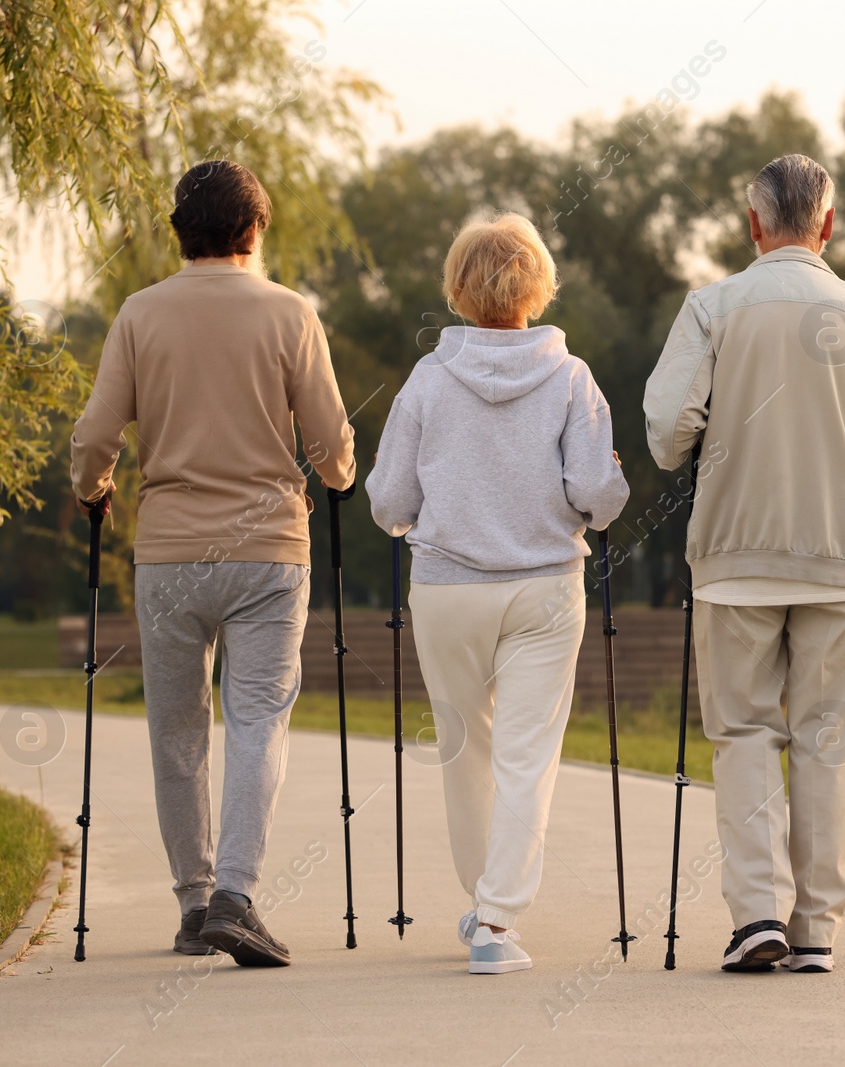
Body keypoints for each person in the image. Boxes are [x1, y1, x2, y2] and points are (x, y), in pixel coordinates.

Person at [643, 154, 845, 973]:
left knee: (741, 733)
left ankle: (755, 916)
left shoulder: (712, 307)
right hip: (842, 554)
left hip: (735, 552)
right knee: (826, 737)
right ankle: (817, 929)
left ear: (753, 225)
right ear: (829, 225)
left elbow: (667, 436)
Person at [70, 160, 356, 967]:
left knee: (177, 728)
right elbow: (330, 445)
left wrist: (93, 489)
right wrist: (338, 478)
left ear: (178, 232)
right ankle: (236, 891)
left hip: (169, 552)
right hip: (268, 551)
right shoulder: (290, 312)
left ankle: (196, 905)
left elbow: (96, 436)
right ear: (254, 230)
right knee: (259, 717)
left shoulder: (139, 313)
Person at [365, 212, 629, 975]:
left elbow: (388, 501)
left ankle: (487, 906)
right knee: (525, 756)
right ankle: (497, 919)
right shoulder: (572, 378)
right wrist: (604, 481)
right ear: (538, 285)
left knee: (464, 749)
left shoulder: (427, 380)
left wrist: (433, 510)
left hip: (447, 589)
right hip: (545, 586)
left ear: (457, 287)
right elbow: (595, 495)